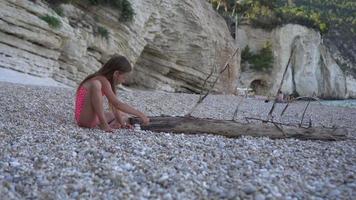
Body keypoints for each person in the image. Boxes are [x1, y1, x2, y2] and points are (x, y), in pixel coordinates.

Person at [74, 54, 149, 132]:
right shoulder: (101, 80)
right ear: (116, 73)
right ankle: (104, 124)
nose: (124, 81)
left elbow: (114, 107)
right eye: (124, 77)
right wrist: (140, 114)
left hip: (87, 118)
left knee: (123, 116)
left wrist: (122, 123)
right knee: (96, 84)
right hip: (85, 120)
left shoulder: (105, 81)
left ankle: (114, 124)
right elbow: (117, 104)